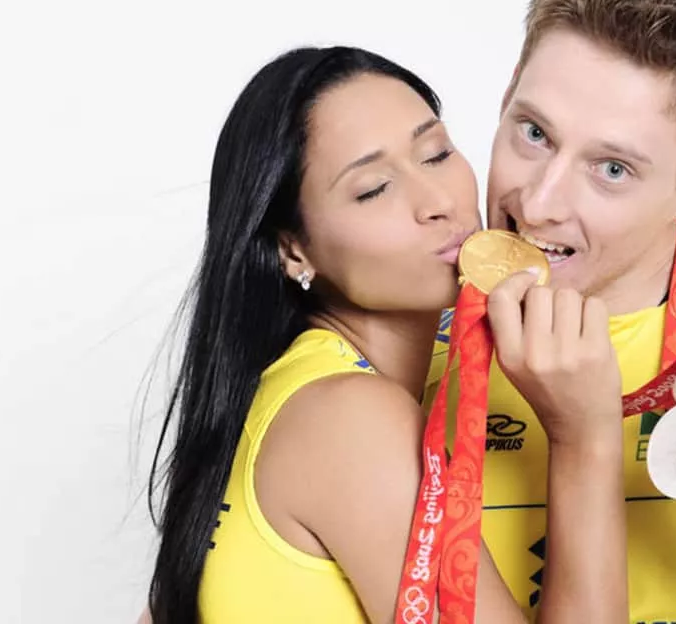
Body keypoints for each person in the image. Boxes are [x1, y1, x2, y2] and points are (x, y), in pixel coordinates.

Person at [142, 45, 630, 623]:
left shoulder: (289, 390)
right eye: (374, 188)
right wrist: (585, 437)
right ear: (293, 250)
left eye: (436, 153)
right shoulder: (351, 418)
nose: (439, 202)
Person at [426, 0, 676, 622]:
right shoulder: (409, 320)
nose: (538, 203)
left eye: (612, 170)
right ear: (508, 92)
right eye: (534, 133)